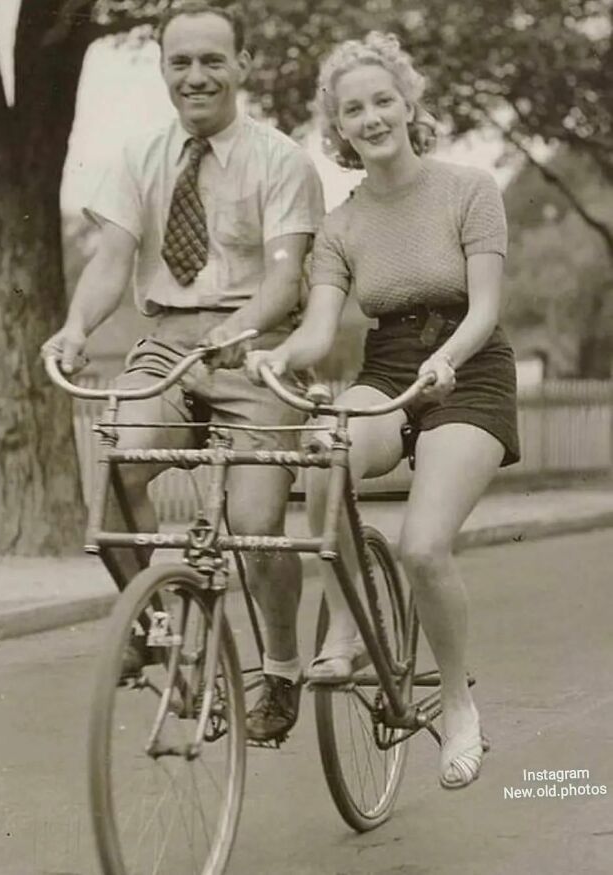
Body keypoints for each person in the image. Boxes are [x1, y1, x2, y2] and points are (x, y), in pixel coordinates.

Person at [42, 1, 325, 743]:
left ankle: (282, 668)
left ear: (242, 66)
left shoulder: (281, 160)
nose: (196, 76)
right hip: (167, 343)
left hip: (256, 348)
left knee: (256, 527)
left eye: (212, 60)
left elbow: (285, 278)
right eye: (180, 62)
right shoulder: (140, 156)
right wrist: (76, 328)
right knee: (115, 476)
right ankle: (161, 634)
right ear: (164, 69)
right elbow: (112, 262)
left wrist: (239, 331)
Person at [246, 31, 519, 787]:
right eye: (353, 110)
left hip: (470, 366)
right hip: (390, 363)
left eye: (382, 101)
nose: (371, 118)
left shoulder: (469, 189)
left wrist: (448, 359)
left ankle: (458, 706)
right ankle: (347, 623)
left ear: (408, 104)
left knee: (423, 548)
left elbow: (486, 308)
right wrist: (281, 355)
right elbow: (319, 329)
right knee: (323, 450)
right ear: (338, 126)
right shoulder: (341, 224)